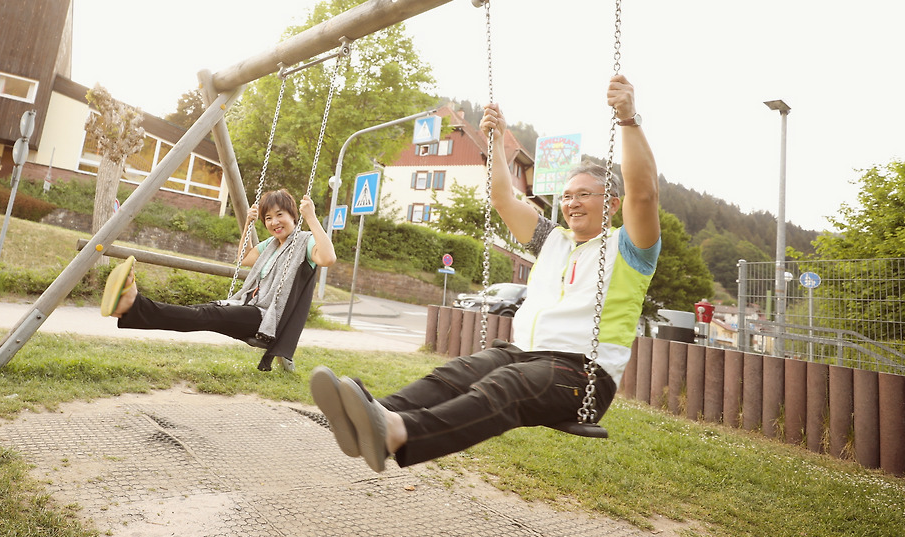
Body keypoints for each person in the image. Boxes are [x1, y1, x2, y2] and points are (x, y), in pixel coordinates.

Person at [311, 74, 661, 471]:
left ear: (611, 204)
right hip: (526, 356)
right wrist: (495, 141)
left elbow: (644, 194)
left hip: (581, 374)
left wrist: (628, 119)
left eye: (584, 195)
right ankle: (370, 414)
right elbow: (502, 197)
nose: (572, 203)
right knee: (456, 373)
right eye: (566, 196)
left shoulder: (629, 248)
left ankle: (397, 431)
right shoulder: (553, 240)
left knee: (505, 386)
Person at [102, 189, 337, 371]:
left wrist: (311, 217)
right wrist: (248, 224)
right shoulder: (272, 245)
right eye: (268, 218)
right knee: (200, 313)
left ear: (293, 215)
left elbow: (328, 258)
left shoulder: (305, 241)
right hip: (250, 307)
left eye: (280, 215)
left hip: (267, 319)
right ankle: (130, 308)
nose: (274, 222)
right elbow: (244, 257)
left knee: (204, 314)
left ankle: (133, 305)